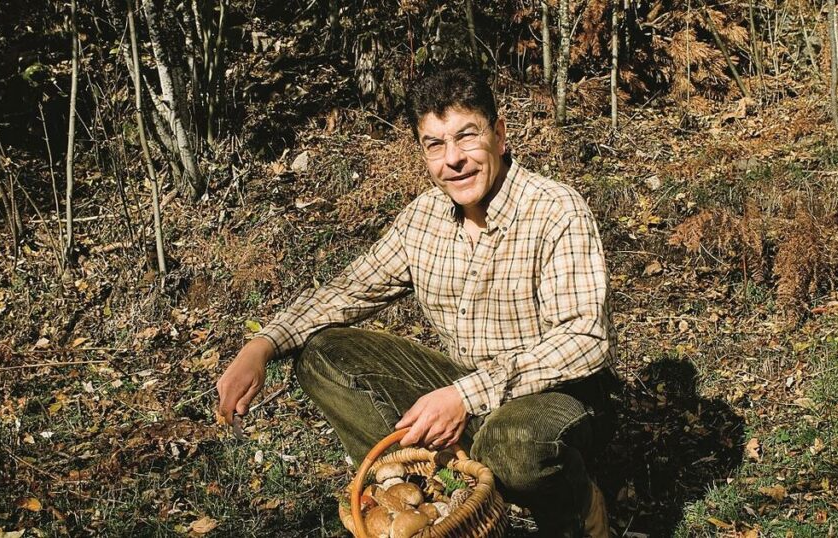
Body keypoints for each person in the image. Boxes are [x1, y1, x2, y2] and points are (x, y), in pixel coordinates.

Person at [216, 66, 617, 538]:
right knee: (323, 354)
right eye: (435, 145)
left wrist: (464, 396)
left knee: (514, 442)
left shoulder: (555, 211)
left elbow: (585, 339)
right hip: (467, 388)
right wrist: (260, 347)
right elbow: (349, 292)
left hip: (554, 399)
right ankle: (431, 499)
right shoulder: (423, 219)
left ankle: (577, 509)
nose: (454, 160)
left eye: (466, 137)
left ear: (500, 134)